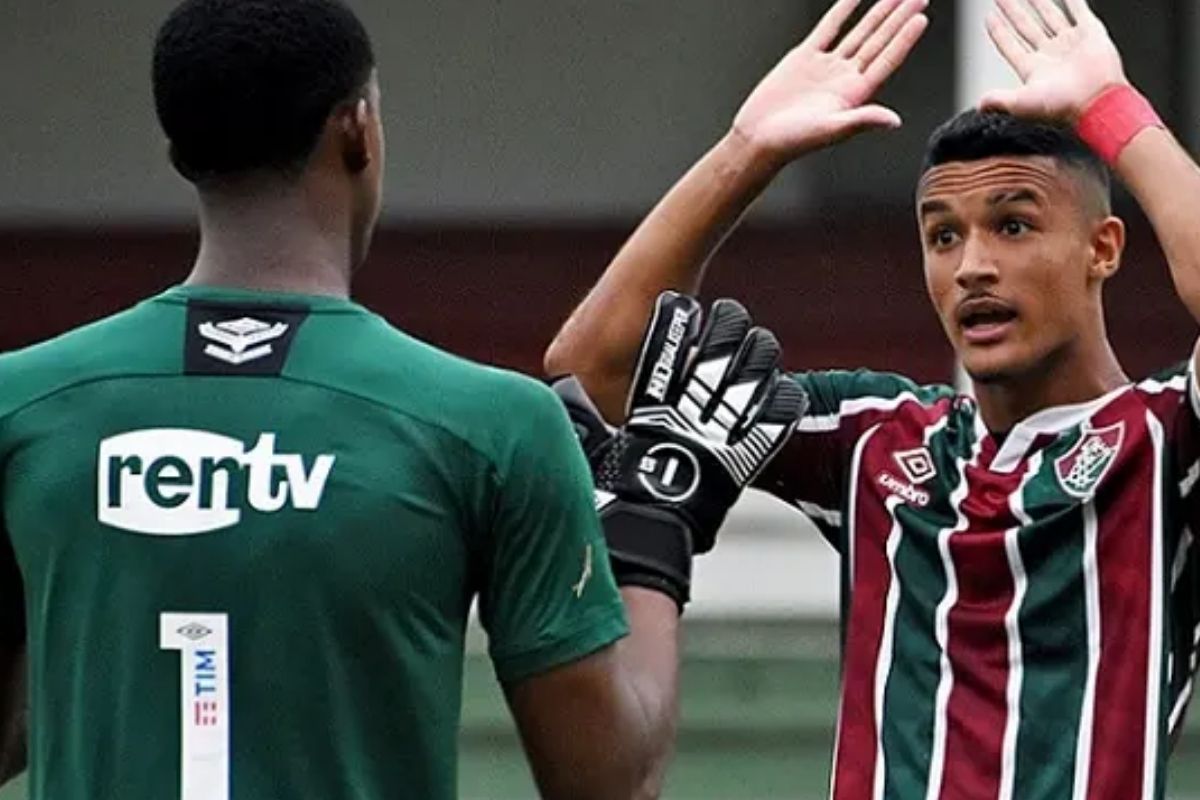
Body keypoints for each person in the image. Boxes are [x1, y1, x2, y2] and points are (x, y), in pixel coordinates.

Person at [0, 1, 805, 798]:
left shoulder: (20, 403)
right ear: (358, 130)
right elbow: (610, 785)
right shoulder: (495, 426)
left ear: (179, 151)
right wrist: (657, 513)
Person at [546, 0, 1200, 796]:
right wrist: (746, 152)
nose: (972, 267)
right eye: (943, 235)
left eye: (1014, 226)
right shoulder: (876, 438)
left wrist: (1110, 108)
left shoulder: (1166, 438)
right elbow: (598, 375)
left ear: (1103, 248)